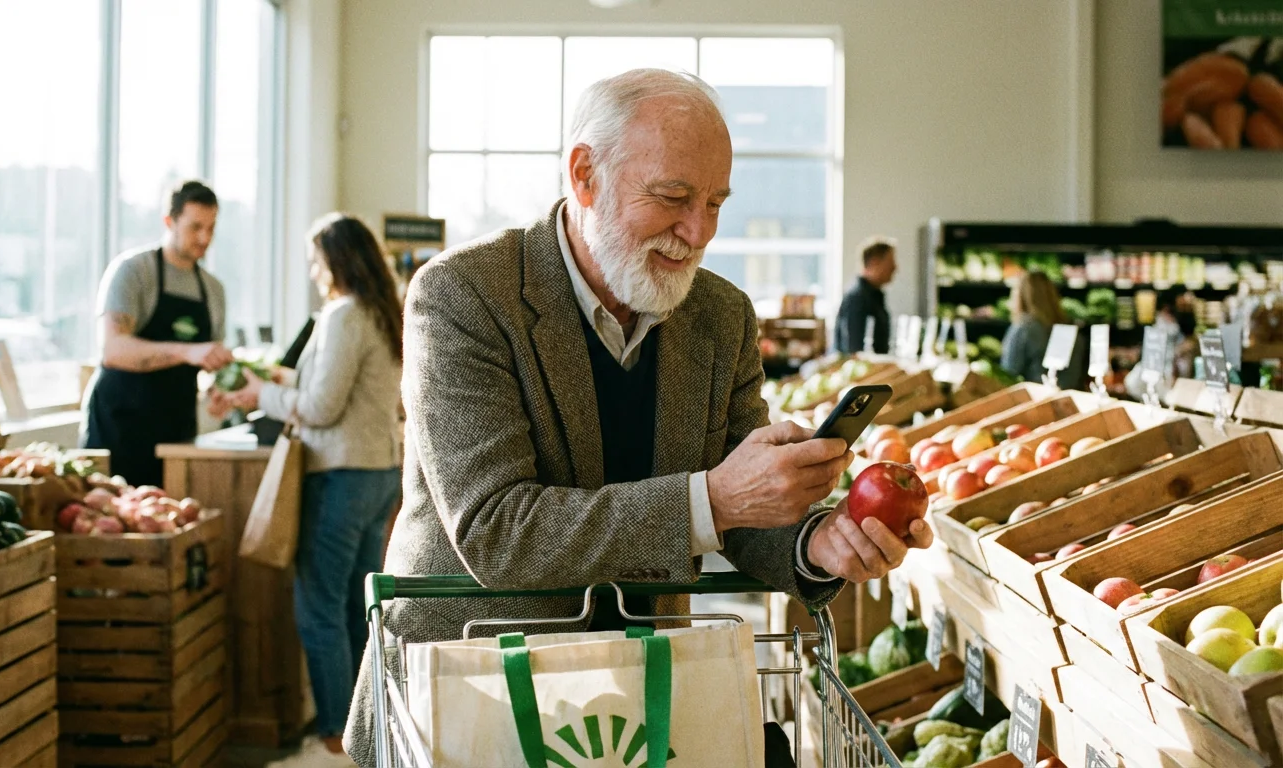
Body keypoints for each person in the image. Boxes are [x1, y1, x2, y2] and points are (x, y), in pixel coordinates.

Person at [344, 68, 932, 765]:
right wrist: (710, 500)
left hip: (638, 701)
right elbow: (496, 529)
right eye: (673, 197)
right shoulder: (463, 296)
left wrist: (816, 543)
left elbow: (749, 512)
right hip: (471, 694)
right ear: (584, 175)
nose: (698, 231)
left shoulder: (721, 317)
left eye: (716, 201)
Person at [219, 214, 403, 764]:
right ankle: (363, 732)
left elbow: (322, 408)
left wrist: (258, 395)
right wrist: (272, 381)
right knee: (353, 607)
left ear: (335, 260)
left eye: (314, 258)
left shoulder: (343, 315)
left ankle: (333, 737)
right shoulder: (379, 313)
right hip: (378, 474)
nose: (310, 268)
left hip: (341, 476)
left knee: (318, 607)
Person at [81, 180, 232, 487]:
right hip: (118, 428)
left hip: (175, 433)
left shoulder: (214, 291)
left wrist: (219, 391)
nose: (205, 238)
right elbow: (113, 350)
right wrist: (187, 351)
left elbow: (208, 365)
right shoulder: (132, 272)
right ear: (169, 221)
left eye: (211, 228)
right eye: (195, 227)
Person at [1001, 271, 1084, 388]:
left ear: (1020, 296)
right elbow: (1074, 376)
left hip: (1031, 401)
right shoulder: (1070, 331)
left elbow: (1008, 374)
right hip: (1066, 400)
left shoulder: (1022, 329)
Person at [834, 237, 897, 354]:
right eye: (890, 262)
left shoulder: (874, 294)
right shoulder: (857, 297)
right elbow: (854, 351)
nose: (895, 268)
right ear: (874, 262)